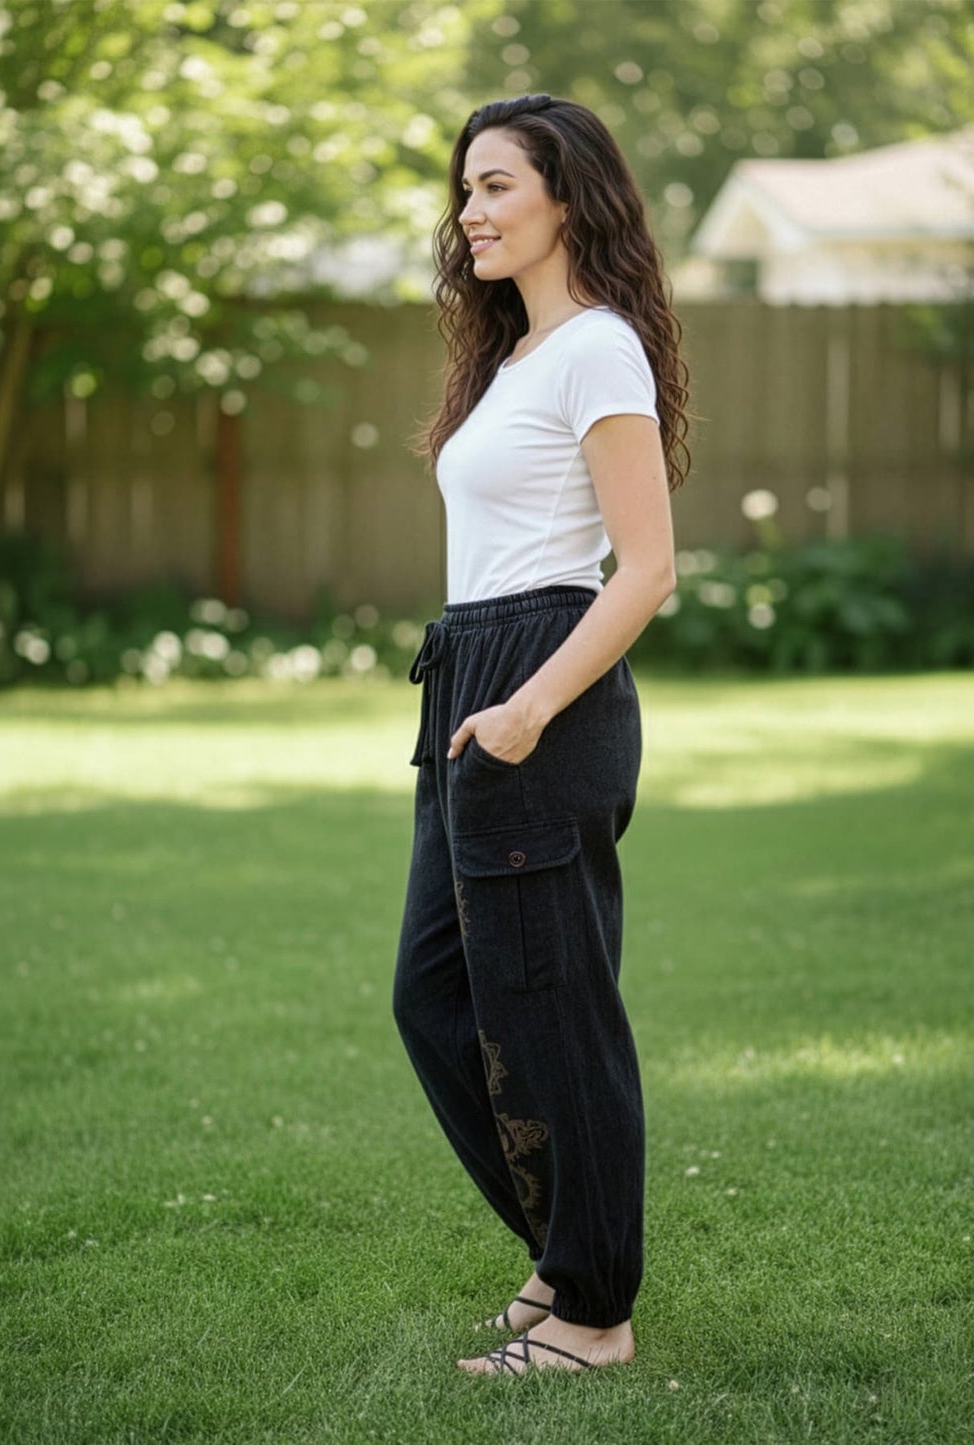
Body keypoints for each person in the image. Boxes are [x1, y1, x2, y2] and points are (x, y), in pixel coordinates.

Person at [392, 92, 692, 1376]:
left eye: (497, 186)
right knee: (436, 992)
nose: (471, 213)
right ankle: (566, 1253)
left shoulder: (597, 348)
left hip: (538, 684)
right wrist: (482, 688)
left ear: (569, 196)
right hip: (471, 666)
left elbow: (646, 569)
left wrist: (527, 704)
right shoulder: (514, 356)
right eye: (464, 192)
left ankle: (594, 1313)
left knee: (553, 1008)